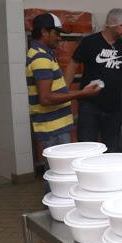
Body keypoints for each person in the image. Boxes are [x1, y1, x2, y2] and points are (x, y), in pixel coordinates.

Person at [26, 13, 101, 189]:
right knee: (59, 178)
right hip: (53, 130)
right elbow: (45, 98)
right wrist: (80, 93)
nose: (59, 38)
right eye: (56, 33)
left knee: (58, 175)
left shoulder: (44, 54)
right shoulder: (40, 58)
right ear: (44, 32)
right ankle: (51, 211)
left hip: (56, 127)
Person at [64, 8, 122, 152]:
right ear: (111, 25)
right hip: (90, 106)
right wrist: (63, 92)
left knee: (112, 150)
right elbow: (73, 64)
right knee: (87, 149)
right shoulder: (90, 42)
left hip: (114, 107)